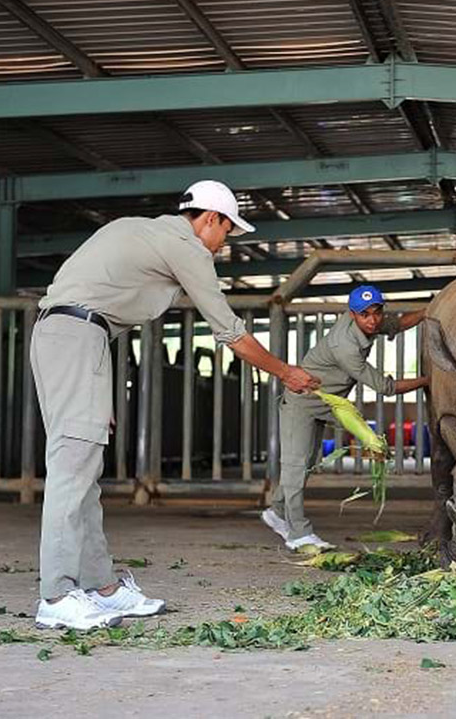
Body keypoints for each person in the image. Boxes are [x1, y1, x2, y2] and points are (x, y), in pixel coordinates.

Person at [31, 180, 321, 630]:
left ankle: (102, 587)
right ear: (210, 219)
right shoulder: (185, 246)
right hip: (77, 337)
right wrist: (287, 372)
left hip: (75, 337)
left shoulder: (142, 230)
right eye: (227, 231)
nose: (225, 244)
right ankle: (56, 594)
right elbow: (230, 333)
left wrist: (96, 382)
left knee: (83, 469)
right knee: (72, 468)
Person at [261, 285, 429, 550]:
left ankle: (276, 512)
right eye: (365, 315)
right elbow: (385, 387)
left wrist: (427, 311)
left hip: (326, 401)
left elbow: (395, 324)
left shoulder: (370, 323)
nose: (373, 320)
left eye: (377, 312)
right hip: (302, 402)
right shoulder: (346, 346)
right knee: (295, 466)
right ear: (352, 315)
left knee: (308, 462)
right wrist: (430, 380)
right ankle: (298, 534)